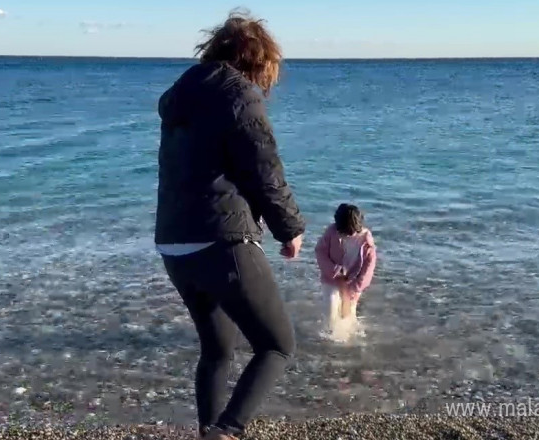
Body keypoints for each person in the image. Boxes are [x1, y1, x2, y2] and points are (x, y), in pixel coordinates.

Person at [153, 9, 306, 440]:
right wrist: (289, 229)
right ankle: (229, 430)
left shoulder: (183, 97)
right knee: (277, 345)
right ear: (259, 60)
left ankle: (209, 433)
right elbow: (263, 171)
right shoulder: (240, 96)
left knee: (218, 351)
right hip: (222, 240)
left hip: (175, 244)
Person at [314, 204, 377, 336]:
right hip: (332, 277)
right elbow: (320, 251)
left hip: (353, 280)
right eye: (343, 232)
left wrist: (357, 286)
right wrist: (333, 270)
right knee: (331, 305)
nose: (348, 235)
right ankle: (329, 336)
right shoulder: (332, 232)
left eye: (352, 232)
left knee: (348, 312)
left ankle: (348, 338)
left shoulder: (366, 241)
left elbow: (369, 266)